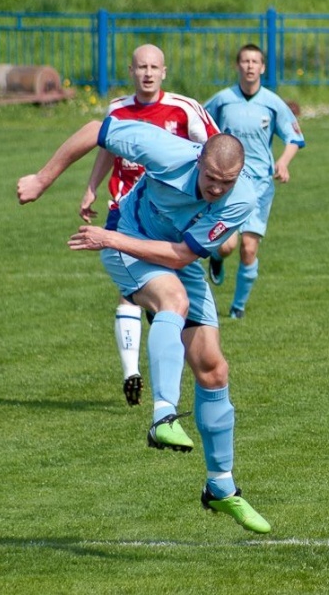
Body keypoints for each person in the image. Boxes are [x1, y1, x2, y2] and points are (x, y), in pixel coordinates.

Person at [17, 118, 271, 534]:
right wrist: (43, 179)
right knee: (172, 300)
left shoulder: (242, 199)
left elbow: (181, 256)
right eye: (210, 178)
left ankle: (221, 489)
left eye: (227, 181)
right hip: (128, 235)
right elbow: (96, 129)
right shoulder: (167, 151)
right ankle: (163, 417)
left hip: (157, 250)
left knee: (213, 367)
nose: (217, 189)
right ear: (199, 159)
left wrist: (109, 239)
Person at [81, 43, 219, 406]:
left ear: (164, 72)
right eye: (141, 67)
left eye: (153, 67)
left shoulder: (184, 108)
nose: (147, 73)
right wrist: (90, 189)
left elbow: (216, 148)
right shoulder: (118, 109)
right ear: (131, 71)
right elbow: (106, 148)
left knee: (168, 299)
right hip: (123, 208)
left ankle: (166, 374)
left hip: (171, 216)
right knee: (134, 292)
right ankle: (132, 372)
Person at [203, 43, 305, 319]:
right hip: (227, 184)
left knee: (248, 247)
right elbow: (199, 127)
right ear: (238, 66)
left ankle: (237, 308)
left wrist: (283, 161)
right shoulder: (222, 100)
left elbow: (294, 137)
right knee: (226, 246)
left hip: (260, 185)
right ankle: (216, 257)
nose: (249, 66)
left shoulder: (273, 104)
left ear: (262, 68)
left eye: (254, 61)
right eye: (245, 61)